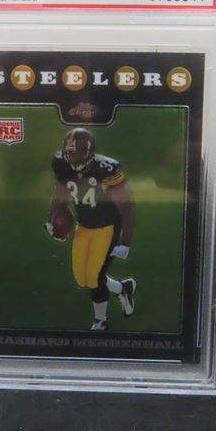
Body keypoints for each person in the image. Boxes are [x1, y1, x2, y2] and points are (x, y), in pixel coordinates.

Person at [45, 127, 136, 330]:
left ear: (89, 152)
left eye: (77, 153)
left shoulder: (106, 169)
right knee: (82, 278)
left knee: (94, 278)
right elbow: (60, 192)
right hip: (84, 225)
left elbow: (126, 206)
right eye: (69, 153)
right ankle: (123, 288)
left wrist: (125, 242)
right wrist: (52, 219)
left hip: (107, 227)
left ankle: (100, 321)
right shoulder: (61, 164)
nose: (72, 158)